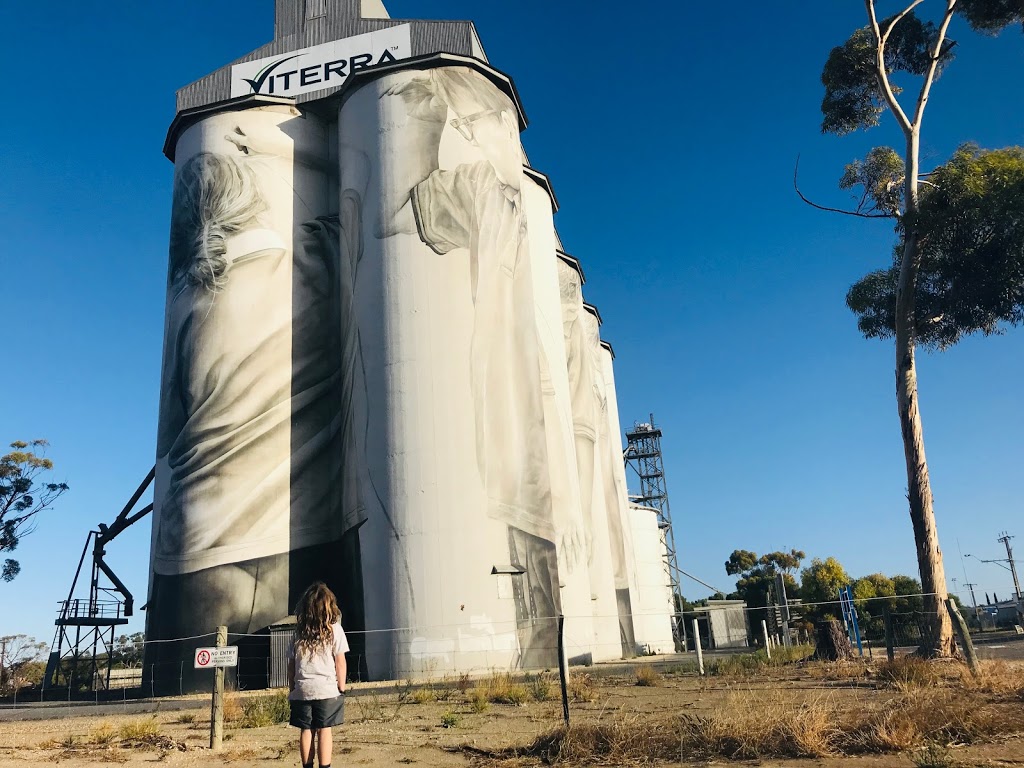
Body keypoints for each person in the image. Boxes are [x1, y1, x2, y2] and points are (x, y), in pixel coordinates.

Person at [288, 582, 349, 768]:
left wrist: (292, 687)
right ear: (329, 605)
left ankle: (307, 765)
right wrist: (342, 687)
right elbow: (340, 661)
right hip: (326, 689)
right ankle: (325, 766)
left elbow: (291, 664)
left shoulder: (298, 632)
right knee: (324, 730)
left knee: (306, 730)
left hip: (303, 689)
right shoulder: (335, 630)